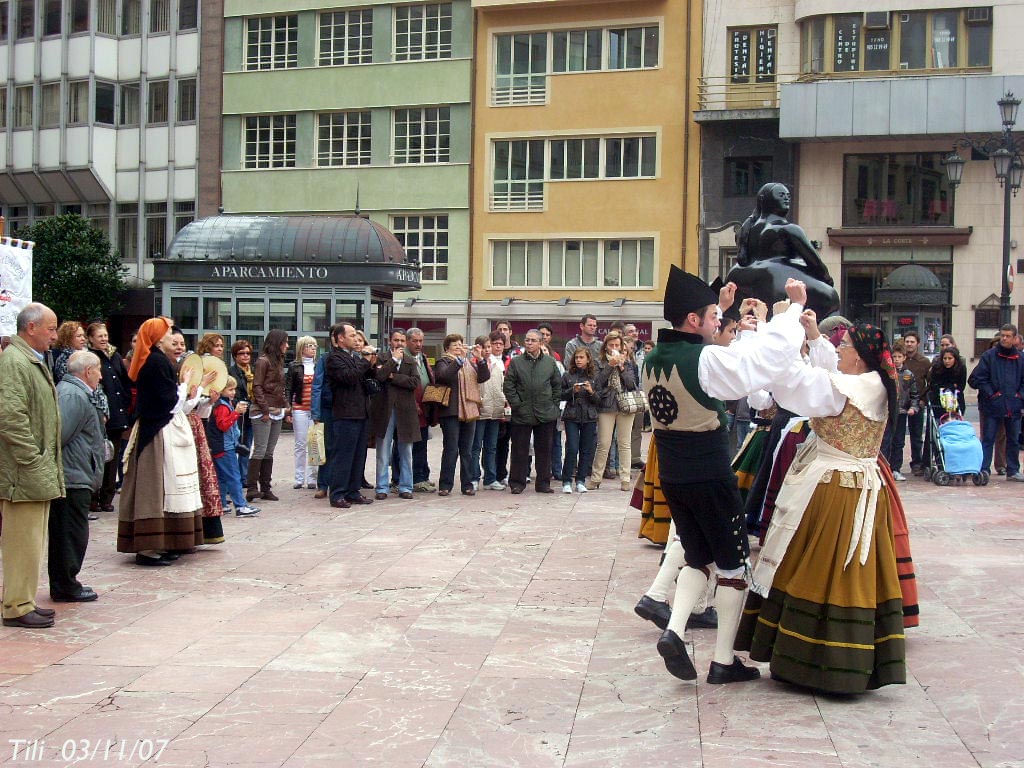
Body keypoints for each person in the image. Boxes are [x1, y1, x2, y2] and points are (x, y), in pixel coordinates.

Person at [643, 267, 807, 685]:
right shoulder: (707, 359)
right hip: (711, 475)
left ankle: (674, 629)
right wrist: (791, 313)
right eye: (714, 316)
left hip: (675, 476)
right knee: (733, 567)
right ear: (694, 319)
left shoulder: (652, 357)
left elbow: (704, 349)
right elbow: (758, 365)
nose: (720, 323)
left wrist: (719, 304)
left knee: (697, 556)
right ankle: (722, 661)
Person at [735, 315, 906, 693]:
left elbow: (799, 387)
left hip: (837, 491)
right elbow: (819, 375)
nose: (839, 351)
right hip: (851, 486)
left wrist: (772, 337)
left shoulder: (854, 386)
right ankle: (837, 662)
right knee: (840, 571)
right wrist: (811, 337)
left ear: (860, 356)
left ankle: (819, 663)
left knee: (819, 569)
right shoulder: (872, 383)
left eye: (844, 346)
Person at [118, 317, 209, 566]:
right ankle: (149, 546)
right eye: (168, 333)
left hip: (161, 427)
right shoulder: (156, 362)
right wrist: (186, 386)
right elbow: (169, 402)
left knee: (166, 485)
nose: (172, 337)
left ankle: (164, 542)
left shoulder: (157, 360)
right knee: (155, 486)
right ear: (158, 337)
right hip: (158, 431)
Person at [0, 303, 63, 628]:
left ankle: (23, 599)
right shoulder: (15, 361)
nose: (55, 335)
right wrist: (32, 460)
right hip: (23, 472)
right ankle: (16, 606)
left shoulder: (28, 359)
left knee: (32, 541)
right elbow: (10, 418)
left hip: (33, 470)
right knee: (22, 542)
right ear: (31, 328)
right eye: (51, 329)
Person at [49, 350, 105, 602]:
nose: (101, 376)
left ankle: (66, 582)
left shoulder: (75, 392)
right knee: (70, 534)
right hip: (72, 476)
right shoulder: (72, 394)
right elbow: (59, 436)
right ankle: (66, 585)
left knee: (71, 532)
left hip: (77, 473)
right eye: (98, 370)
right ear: (88, 371)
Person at [503, 329, 561, 494]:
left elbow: (557, 385)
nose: (529, 343)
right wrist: (517, 405)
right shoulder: (516, 362)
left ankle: (543, 483)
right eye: (527, 340)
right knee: (519, 450)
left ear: (541, 343)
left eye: (533, 340)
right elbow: (509, 386)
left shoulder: (550, 362)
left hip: (545, 412)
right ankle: (517, 483)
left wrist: (554, 405)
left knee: (544, 450)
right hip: (522, 413)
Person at [433, 333, 490, 496]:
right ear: (447, 348)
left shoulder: (469, 363)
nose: (459, 347)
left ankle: (467, 484)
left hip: (469, 410)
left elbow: (483, 377)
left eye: (460, 344)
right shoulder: (443, 362)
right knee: (451, 449)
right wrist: (459, 360)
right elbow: (444, 376)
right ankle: (445, 484)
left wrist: (480, 359)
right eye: (455, 345)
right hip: (450, 411)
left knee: (467, 450)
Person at [325, 322, 374, 508]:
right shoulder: (334, 358)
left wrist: (371, 364)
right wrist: (365, 360)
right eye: (352, 335)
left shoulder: (353, 357)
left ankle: (353, 491)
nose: (356, 339)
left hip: (361, 412)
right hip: (345, 414)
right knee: (343, 456)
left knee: (358, 456)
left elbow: (364, 377)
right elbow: (349, 377)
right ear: (340, 338)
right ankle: (338, 493)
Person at [87, 320, 133, 514]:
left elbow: (125, 381)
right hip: (100, 415)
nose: (104, 339)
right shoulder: (89, 357)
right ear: (91, 339)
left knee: (112, 457)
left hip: (116, 414)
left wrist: (124, 401)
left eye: (105, 335)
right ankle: (93, 497)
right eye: (100, 336)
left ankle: (107, 497)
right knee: (97, 457)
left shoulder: (114, 356)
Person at [971, 324, 1024, 481]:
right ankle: (983, 469)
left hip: (1013, 405)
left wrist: (1019, 396)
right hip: (992, 405)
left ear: (1015, 338)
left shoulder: (1020, 358)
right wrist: (992, 394)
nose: (1004, 339)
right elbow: (979, 378)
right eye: (1003, 335)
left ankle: (1013, 470)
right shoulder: (989, 356)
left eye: (1008, 336)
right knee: (988, 438)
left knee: (1013, 439)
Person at [371, 329, 419, 500]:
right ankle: (382, 487)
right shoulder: (382, 358)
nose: (399, 343)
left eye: (402, 340)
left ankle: (406, 486)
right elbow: (380, 376)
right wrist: (393, 361)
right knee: (383, 451)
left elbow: (414, 382)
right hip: (385, 410)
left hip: (405, 411)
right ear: (390, 341)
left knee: (406, 451)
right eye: (396, 340)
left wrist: (394, 377)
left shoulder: (411, 361)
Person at [589, 331, 638, 491]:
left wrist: (622, 367)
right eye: (611, 345)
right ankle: (596, 478)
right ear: (606, 347)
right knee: (603, 443)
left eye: (617, 345)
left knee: (624, 443)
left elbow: (631, 384)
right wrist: (610, 366)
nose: (614, 348)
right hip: (606, 405)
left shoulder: (628, 363)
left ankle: (625, 479)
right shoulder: (599, 362)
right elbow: (597, 383)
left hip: (625, 405)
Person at [206, 376, 260, 517]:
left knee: (222, 477)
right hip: (225, 447)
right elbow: (223, 426)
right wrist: (236, 413)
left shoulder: (222, 403)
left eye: (234, 389)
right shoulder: (222, 406)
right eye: (230, 389)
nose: (233, 392)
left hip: (220, 446)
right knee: (234, 476)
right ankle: (240, 506)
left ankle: (222, 504)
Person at [247, 329, 289, 502]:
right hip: (263, 410)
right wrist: (264, 409)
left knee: (269, 451)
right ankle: (251, 488)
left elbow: (280, 387)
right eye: (285, 342)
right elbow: (257, 386)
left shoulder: (277, 361)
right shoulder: (263, 361)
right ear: (277, 343)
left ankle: (265, 487)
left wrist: (286, 406)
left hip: (276, 409)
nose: (287, 345)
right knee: (260, 449)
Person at [560, 347, 599, 493]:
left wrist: (590, 391)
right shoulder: (567, 375)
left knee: (586, 449)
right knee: (572, 448)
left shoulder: (594, 376)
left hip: (589, 416)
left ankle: (581, 480)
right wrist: (572, 391)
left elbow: (599, 400)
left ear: (588, 359)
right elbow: (560, 395)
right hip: (572, 415)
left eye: (581, 357)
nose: (578, 360)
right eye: (576, 357)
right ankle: (566, 481)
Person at [474, 332, 508, 491]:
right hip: (479, 410)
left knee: (491, 446)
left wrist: (503, 401)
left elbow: (501, 386)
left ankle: (490, 478)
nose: (487, 350)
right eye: (484, 347)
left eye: (489, 347)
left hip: (495, 410)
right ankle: (473, 478)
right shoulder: (472, 364)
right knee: (476, 447)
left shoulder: (498, 364)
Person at [405, 327, 437, 493]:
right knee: (408, 447)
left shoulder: (422, 358)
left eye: (420, 341)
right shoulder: (404, 358)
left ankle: (423, 476)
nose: (418, 344)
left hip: (425, 408)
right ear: (407, 341)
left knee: (422, 444)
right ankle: (412, 479)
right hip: (409, 409)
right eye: (414, 341)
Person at [882, 343, 919, 481]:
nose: (896, 359)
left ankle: (896, 469)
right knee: (886, 441)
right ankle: (884, 469)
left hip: (902, 413)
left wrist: (913, 407)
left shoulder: (908, 375)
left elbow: (914, 394)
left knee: (899, 442)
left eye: (899, 357)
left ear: (904, 358)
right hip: (888, 412)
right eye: (894, 357)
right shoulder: (887, 373)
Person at [287, 336, 319, 490]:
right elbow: (289, 388)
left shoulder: (318, 365)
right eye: (309, 346)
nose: (313, 348)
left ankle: (312, 478)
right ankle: (299, 478)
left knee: (314, 443)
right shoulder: (294, 366)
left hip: (315, 410)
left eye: (314, 346)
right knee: (300, 444)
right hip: (299, 408)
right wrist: (288, 410)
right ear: (301, 348)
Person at [901, 331, 930, 476]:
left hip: (917, 402)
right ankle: (895, 464)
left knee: (916, 436)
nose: (909, 344)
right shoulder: (899, 359)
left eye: (912, 342)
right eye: (907, 341)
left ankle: (917, 463)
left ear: (917, 343)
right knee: (898, 436)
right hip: (900, 403)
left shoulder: (924, 362)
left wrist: (924, 400)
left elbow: (929, 383)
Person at [227, 340, 256, 484]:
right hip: (236, 413)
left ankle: (243, 477)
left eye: (248, 353)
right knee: (234, 444)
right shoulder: (231, 372)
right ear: (235, 356)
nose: (245, 356)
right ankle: (233, 477)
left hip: (251, 413)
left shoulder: (253, 371)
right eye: (241, 353)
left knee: (247, 445)